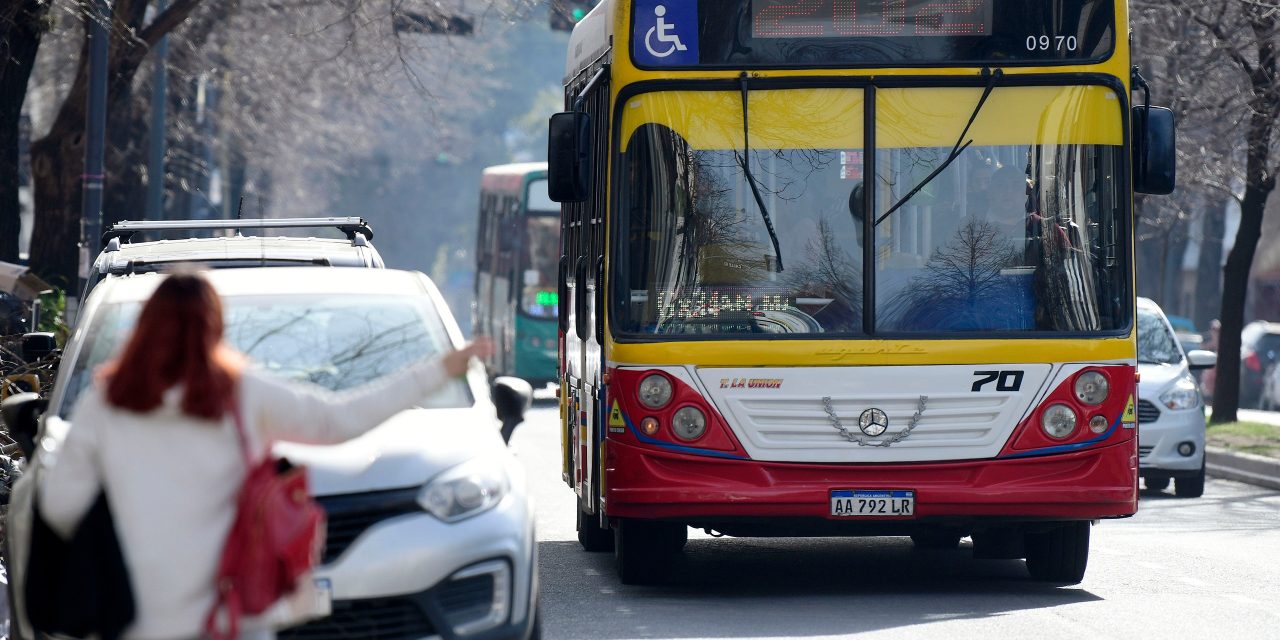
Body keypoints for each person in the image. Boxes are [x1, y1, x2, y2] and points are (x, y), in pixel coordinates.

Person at [35, 271, 491, 639]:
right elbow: (340, 421)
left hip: (134, 614)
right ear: (215, 328)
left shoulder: (107, 403)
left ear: (145, 330)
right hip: (233, 612)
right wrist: (437, 371)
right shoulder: (243, 396)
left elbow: (60, 504)